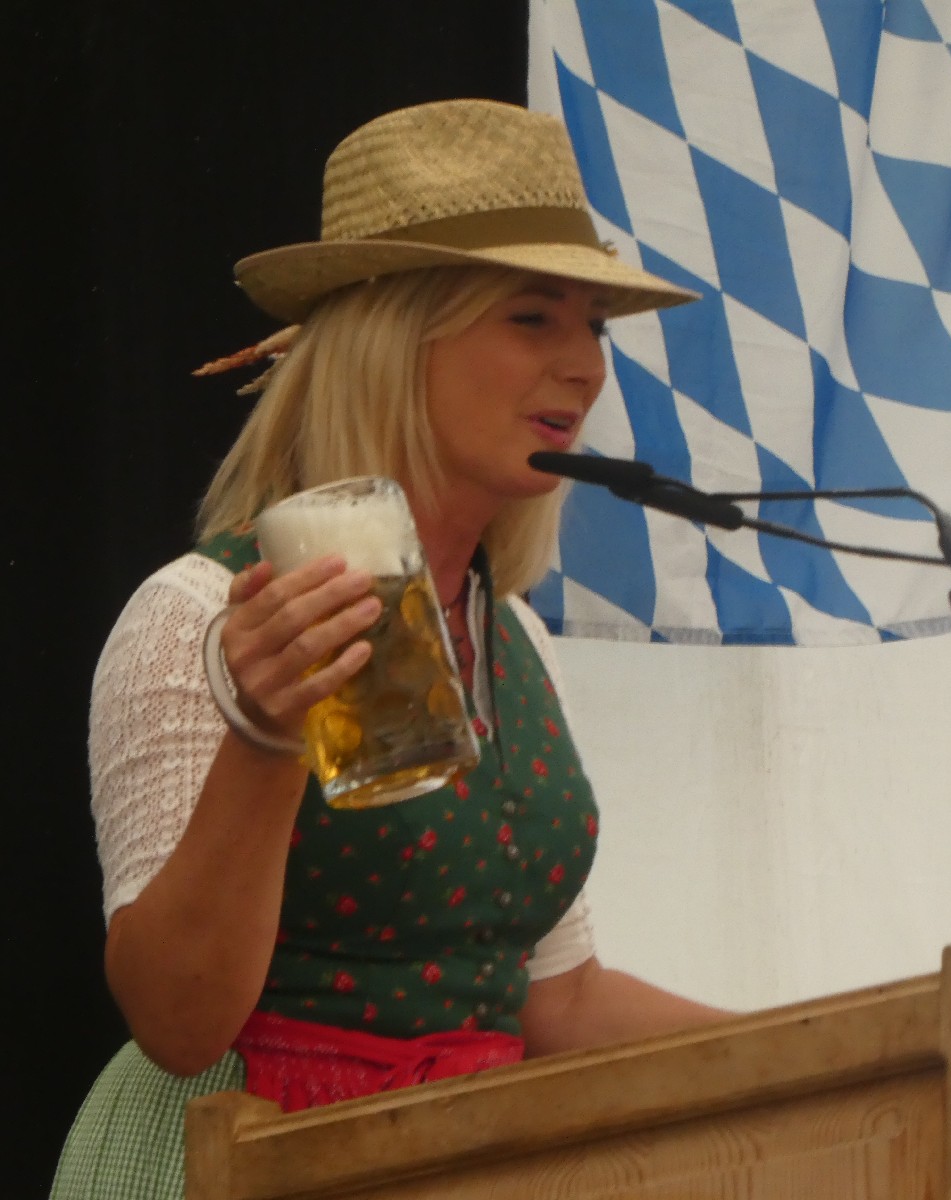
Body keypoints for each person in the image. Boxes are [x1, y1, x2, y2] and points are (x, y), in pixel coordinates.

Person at [54, 98, 725, 1199]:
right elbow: (178, 1023)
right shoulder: (194, 615)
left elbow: (555, 999)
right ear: (395, 339)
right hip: (233, 1162)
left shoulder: (516, 639)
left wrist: (856, 1047)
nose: (586, 366)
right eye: (533, 318)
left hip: (452, 1165)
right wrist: (264, 735)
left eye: (596, 326)